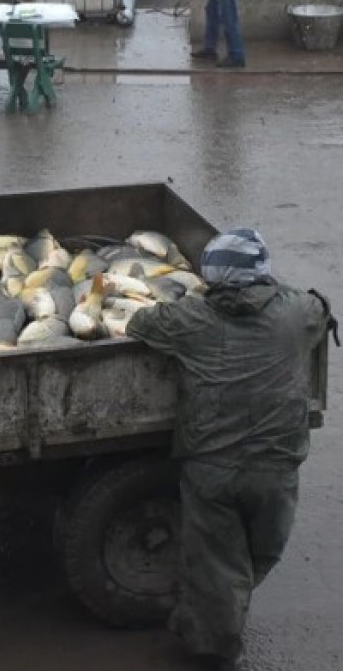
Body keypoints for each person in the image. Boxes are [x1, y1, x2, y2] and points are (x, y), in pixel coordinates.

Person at [126, 228, 334, 670]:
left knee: (220, 564)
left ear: (211, 277)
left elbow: (139, 324)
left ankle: (213, 647)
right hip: (275, 468)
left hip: (212, 469)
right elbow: (320, 307)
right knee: (263, 552)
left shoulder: (190, 318)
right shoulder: (296, 313)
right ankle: (212, 624)